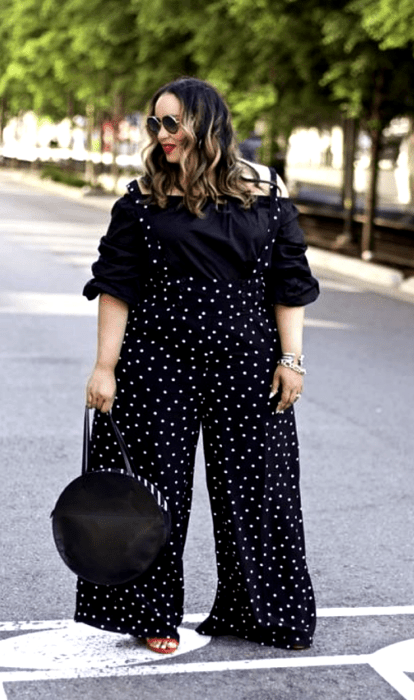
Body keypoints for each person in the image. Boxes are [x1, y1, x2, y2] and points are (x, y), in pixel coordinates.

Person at [78, 77, 319, 655]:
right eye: (155, 124)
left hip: (249, 362)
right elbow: (116, 288)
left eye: (173, 123)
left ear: (206, 126)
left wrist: (292, 360)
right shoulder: (139, 201)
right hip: (157, 364)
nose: (163, 135)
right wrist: (104, 366)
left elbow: (288, 284)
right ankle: (151, 613)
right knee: (157, 490)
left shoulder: (267, 195)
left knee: (260, 489)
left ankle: (259, 610)